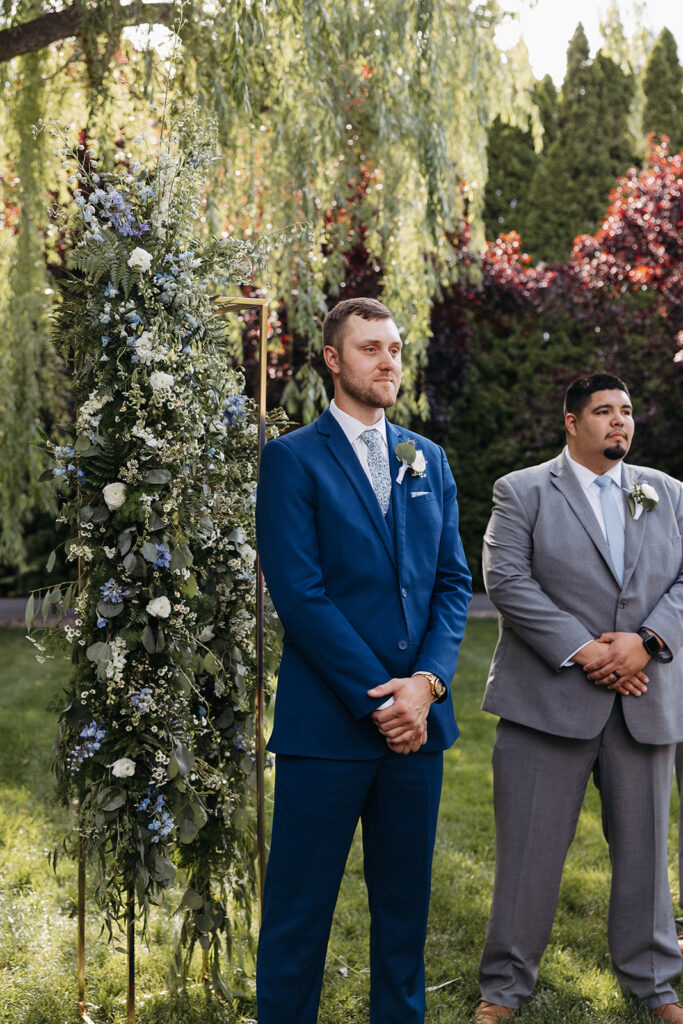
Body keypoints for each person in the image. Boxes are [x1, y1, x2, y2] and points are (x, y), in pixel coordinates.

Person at [255, 296, 472, 1024]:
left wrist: (428, 686)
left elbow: (450, 582)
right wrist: (385, 700)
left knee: (403, 918)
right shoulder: (290, 459)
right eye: (370, 348)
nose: (388, 361)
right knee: (298, 915)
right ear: (331, 360)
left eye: (395, 348)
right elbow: (301, 594)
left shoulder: (426, 457)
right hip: (328, 728)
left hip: (419, 731)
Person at [475, 372, 683, 1024]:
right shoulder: (522, 490)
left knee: (646, 857)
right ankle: (503, 988)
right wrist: (591, 651)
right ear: (571, 422)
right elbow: (506, 578)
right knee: (526, 856)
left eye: (625, 411)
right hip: (546, 702)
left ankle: (655, 982)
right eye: (602, 412)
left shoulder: (666, 492)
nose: (618, 422)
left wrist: (645, 642)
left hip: (643, 702)